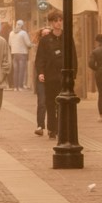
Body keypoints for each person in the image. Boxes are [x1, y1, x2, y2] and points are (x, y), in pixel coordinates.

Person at [35, 10, 74, 139]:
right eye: (56, 21)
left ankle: (62, 128)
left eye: (60, 20)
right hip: (50, 76)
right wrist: (40, 72)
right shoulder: (45, 40)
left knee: (64, 104)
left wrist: (73, 74)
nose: (58, 23)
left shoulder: (67, 38)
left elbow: (73, 56)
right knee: (51, 103)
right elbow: (40, 58)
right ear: (51, 23)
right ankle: (52, 128)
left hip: (64, 77)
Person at [31, 27, 49, 135]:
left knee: (53, 103)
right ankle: (40, 126)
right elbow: (36, 62)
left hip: (53, 78)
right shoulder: (37, 47)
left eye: (48, 33)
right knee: (42, 102)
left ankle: (52, 127)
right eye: (44, 34)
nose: (46, 35)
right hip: (41, 77)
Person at [9, 20, 32, 91]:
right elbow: (28, 44)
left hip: (14, 53)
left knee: (15, 71)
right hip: (22, 53)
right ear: (22, 25)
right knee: (21, 70)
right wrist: (32, 45)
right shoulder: (23, 33)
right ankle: (20, 86)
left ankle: (15, 87)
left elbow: (9, 43)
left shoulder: (11, 33)